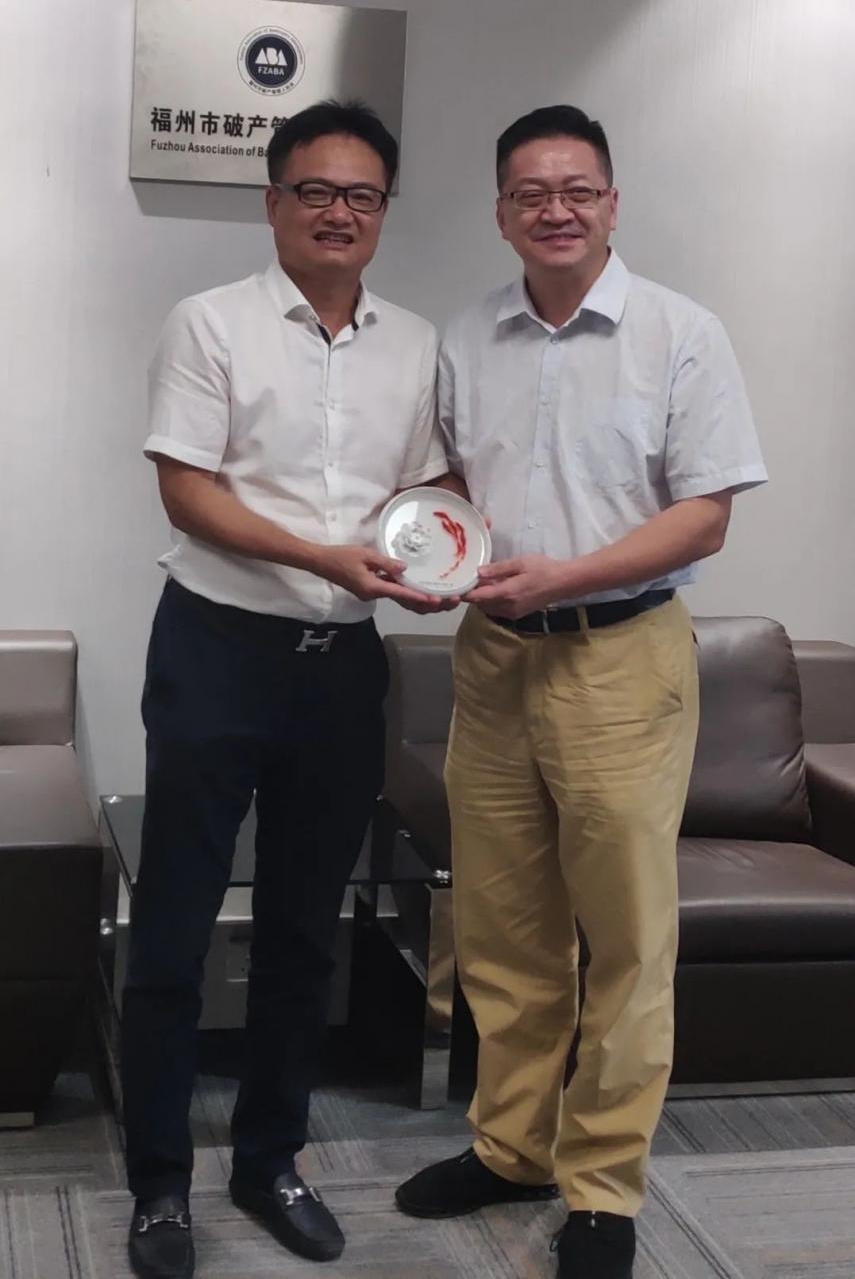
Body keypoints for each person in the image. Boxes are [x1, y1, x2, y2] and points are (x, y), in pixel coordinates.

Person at [395, 105, 768, 1279]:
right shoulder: (468, 336)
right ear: (502, 211)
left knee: (624, 937)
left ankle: (603, 1184)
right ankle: (512, 1145)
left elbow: (703, 514)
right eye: (531, 193)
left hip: (621, 656)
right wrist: (434, 553)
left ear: (612, 203)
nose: (555, 209)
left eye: (577, 190)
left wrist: (567, 572)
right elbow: (451, 482)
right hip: (493, 656)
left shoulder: (681, 334)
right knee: (503, 926)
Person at [122, 99, 454, 1279]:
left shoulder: (417, 344)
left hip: (344, 666)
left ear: (383, 212)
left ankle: (269, 1158)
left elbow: (427, 491)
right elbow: (188, 491)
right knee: (175, 925)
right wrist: (326, 554)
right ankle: (160, 1181)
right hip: (216, 649)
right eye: (315, 190)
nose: (338, 212)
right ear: (273, 202)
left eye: (362, 195)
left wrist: (435, 555)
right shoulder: (209, 323)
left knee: (309, 930)